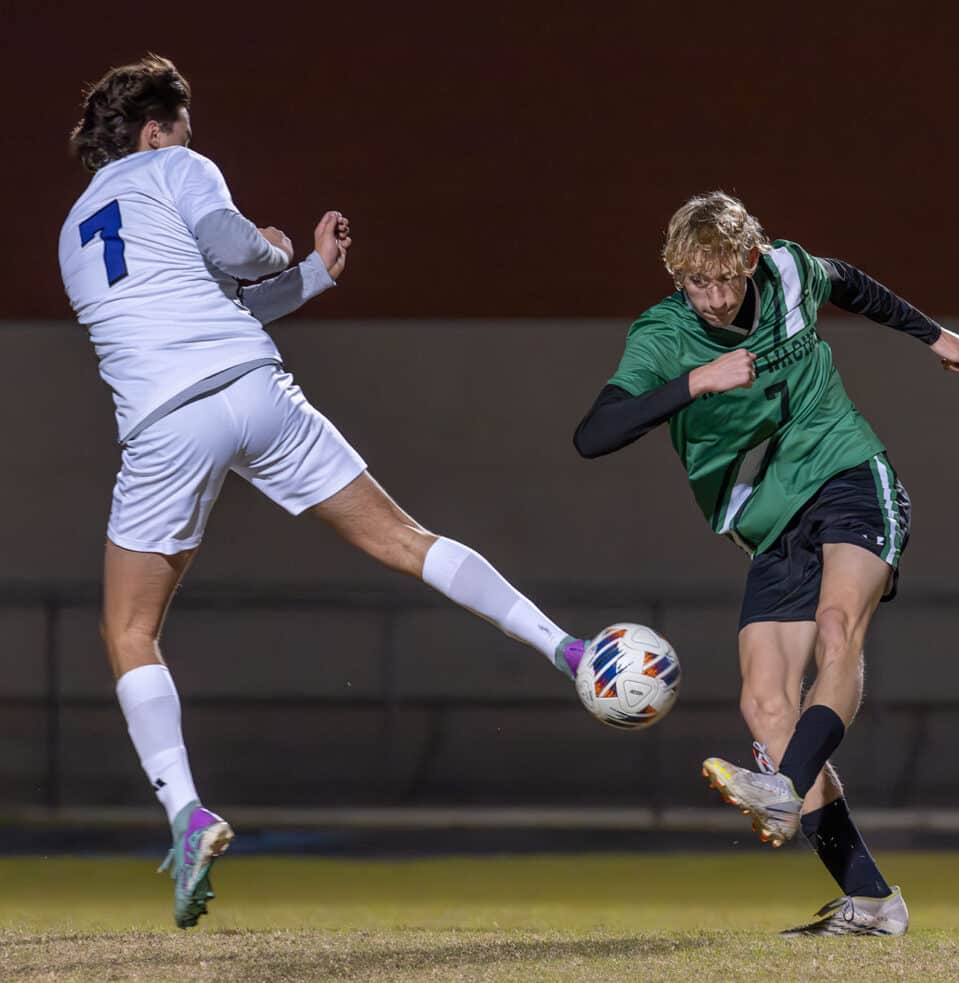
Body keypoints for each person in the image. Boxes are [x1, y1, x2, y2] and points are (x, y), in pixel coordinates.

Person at [59, 55, 587, 929]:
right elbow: (234, 259)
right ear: (156, 129)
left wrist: (310, 280)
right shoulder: (178, 166)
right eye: (183, 126)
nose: (191, 140)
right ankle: (567, 650)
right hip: (253, 388)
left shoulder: (74, 229)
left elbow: (200, 302)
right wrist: (280, 250)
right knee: (404, 537)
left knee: (129, 630)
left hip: (165, 420)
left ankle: (186, 811)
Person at [572, 191, 959, 936]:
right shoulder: (662, 337)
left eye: (728, 277)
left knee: (837, 626)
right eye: (699, 282)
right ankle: (872, 900)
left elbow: (850, 280)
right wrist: (696, 381)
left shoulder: (789, 271)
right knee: (764, 706)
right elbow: (592, 435)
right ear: (677, 275)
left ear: (752, 260)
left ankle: (785, 786)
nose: (717, 296)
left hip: (848, 473)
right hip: (768, 522)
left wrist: (931, 335)